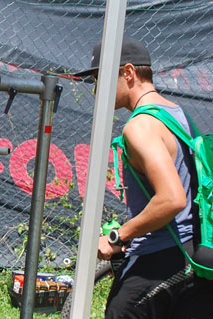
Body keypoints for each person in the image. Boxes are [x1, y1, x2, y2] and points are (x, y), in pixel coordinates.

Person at [75, 37, 213, 318]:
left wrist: (118, 236)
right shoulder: (177, 114)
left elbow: (172, 199)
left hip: (162, 258)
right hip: (196, 254)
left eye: (100, 79)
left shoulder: (140, 127)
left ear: (128, 73)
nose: (96, 91)